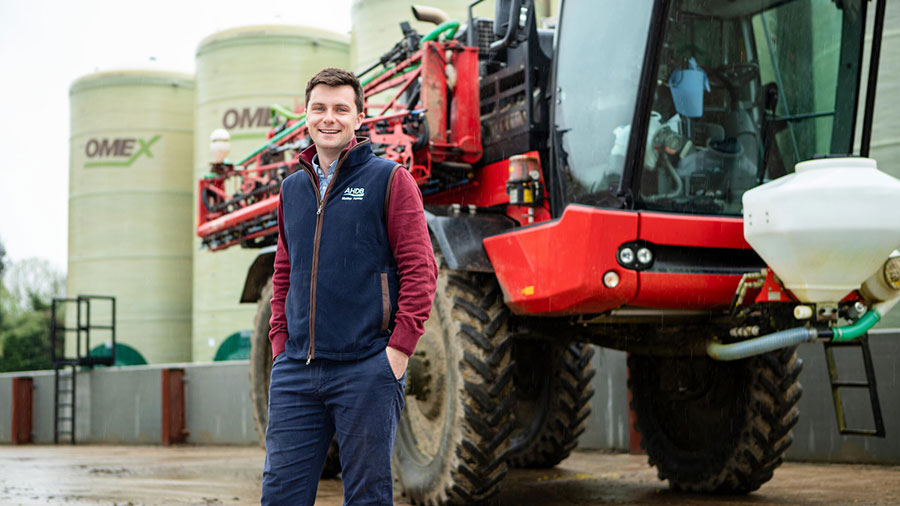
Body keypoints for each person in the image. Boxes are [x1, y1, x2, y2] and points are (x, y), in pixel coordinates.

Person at [262, 67, 438, 505]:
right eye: (319, 108)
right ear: (305, 115)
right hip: (296, 372)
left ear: (361, 116)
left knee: (366, 498)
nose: (329, 118)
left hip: (366, 368)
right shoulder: (291, 190)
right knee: (280, 495)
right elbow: (284, 270)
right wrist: (280, 344)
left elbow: (420, 269)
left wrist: (396, 352)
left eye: (342, 109)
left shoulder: (389, 180)